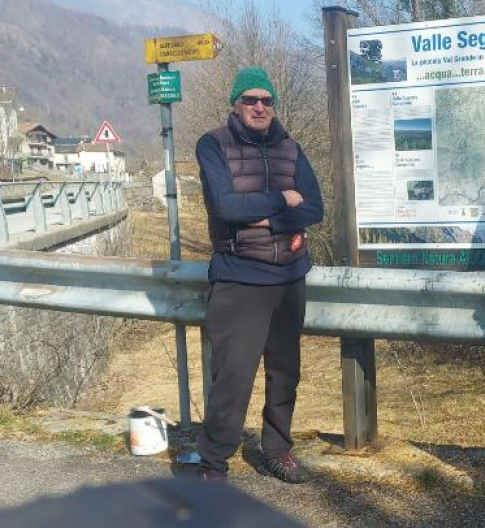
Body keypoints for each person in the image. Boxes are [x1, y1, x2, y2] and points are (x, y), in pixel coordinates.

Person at [195, 66, 324, 484]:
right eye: (250, 99)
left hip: (289, 278)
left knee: (285, 372)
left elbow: (314, 208)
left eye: (266, 100)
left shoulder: (291, 147)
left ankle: (278, 450)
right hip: (239, 279)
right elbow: (226, 208)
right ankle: (214, 464)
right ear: (235, 103)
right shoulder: (213, 144)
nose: (259, 106)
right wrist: (283, 199)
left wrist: (268, 222)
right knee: (233, 377)